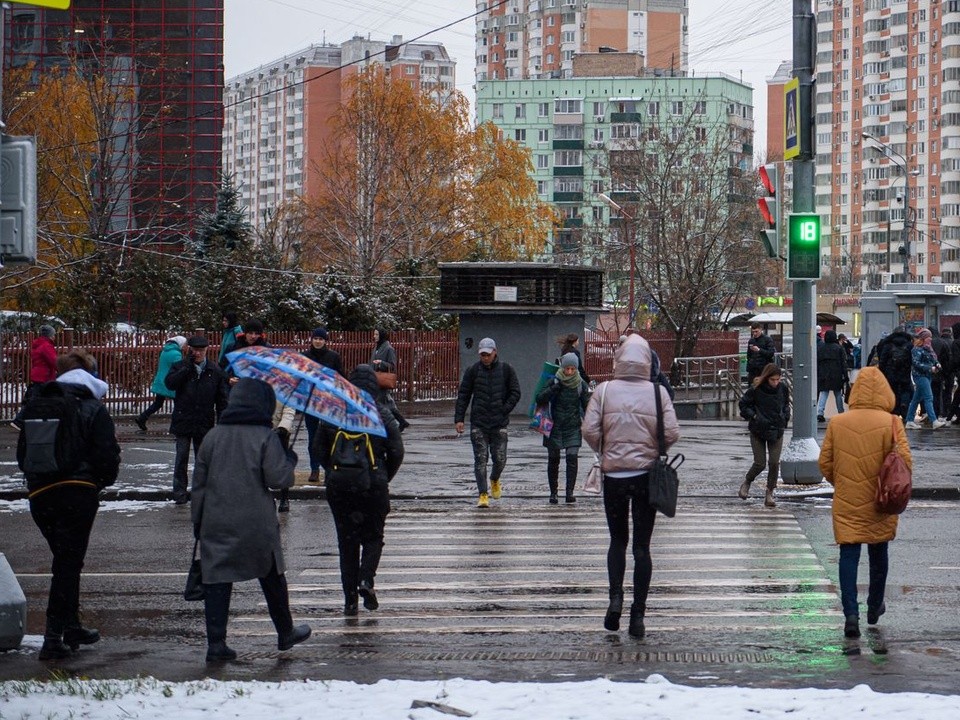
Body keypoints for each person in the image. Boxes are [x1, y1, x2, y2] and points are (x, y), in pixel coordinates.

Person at [191, 377, 311, 662]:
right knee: (270, 574)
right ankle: (285, 632)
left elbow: (199, 484)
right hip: (256, 523)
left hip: (216, 519)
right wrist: (288, 457)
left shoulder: (212, 436)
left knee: (217, 579)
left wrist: (198, 522)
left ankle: (216, 644)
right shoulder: (265, 436)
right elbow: (279, 478)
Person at [21, 350, 121, 660]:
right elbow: (107, 456)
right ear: (89, 373)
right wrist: (97, 482)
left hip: (40, 495)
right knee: (67, 563)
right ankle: (53, 637)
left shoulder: (38, 405)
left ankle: (72, 625)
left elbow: (23, 453)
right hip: (77, 492)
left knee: (66, 560)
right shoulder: (93, 407)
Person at [582, 334, 680, 639]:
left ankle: (615, 599)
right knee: (642, 547)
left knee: (617, 542)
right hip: (645, 478)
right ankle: (638, 616)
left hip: (614, 478)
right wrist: (651, 448)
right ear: (647, 362)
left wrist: (605, 449)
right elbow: (672, 433)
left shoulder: (604, 390)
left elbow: (589, 429)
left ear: (619, 359)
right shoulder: (657, 393)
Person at [819, 366, 912, 639]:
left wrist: (844, 482)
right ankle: (874, 606)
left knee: (849, 554)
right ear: (885, 392)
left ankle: (850, 614)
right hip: (881, 499)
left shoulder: (838, 422)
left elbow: (825, 463)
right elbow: (905, 463)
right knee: (878, 553)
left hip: (848, 499)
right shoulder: (892, 422)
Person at [315, 364, 404, 616]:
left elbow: (318, 449)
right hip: (373, 487)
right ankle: (366, 580)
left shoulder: (333, 412)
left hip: (340, 488)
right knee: (374, 536)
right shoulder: (383, 414)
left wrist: (334, 471)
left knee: (347, 543)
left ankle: (350, 601)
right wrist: (383, 475)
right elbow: (397, 451)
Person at [454, 337, 521, 508]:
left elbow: (515, 392)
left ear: (494, 352)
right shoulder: (473, 371)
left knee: (500, 459)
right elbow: (464, 395)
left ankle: (495, 479)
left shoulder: (506, 370)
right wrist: (459, 419)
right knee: (480, 459)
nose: (485, 358)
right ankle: (483, 494)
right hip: (479, 422)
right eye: (482, 355)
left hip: (499, 423)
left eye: (487, 354)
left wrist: (504, 409)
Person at [165, 335, 229, 504]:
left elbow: (222, 400)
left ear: (207, 350)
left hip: (204, 421)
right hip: (183, 420)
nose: (198, 353)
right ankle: (179, 492)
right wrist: (186, 367)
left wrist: (222, 423)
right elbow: (170, 384)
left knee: (202, 460)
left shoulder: (214, 371)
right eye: (195, 350)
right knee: (182, 457)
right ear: (189, 350)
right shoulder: (180, 366)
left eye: (201, 350)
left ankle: (200, 491)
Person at [536, 352, 590, 504]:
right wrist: (553, 389)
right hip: (554, 426)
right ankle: (553, 493)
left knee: (572, 458)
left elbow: (587, 406)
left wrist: (592, 423)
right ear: (563, 367)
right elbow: (539, 398)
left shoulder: (580, 384)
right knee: (554, 459)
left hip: (573, 426)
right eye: (567, 369)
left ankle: (569, 493)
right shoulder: (554, 381)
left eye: (573, 369)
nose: (570, 372)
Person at [738, 363, 791, 508]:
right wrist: (754, 416)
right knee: (760, 463)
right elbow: (743, 405)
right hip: (758, 429)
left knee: (774, 462)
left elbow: (786, 404)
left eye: (778, 379)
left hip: (776, 428)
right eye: (772, 379)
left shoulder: (783, 388)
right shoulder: (756, 389)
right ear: (766, 378)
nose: (775, 383)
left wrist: (785, 417)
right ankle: (748, 481)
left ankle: (770, 492)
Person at [303, 327, 342, 484]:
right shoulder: (305, 357)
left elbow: (339, 376)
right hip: (311, 401)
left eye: (321, 339)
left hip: (328, 401)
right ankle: (314, 468)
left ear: (325, 341)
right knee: (313, 437)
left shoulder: (333, 357)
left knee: (329, 436)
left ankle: (329, 469)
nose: (318, 341)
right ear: (311, 339)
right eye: (316, 338)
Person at [135, 336, 186, 432]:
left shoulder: (165, 351)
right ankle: (174, 427)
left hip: (161, 380)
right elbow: (179, 368)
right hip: (170, 382)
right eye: (184, 345)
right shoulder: (176, 354)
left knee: (158, 403)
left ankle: (142, 417)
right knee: (178, 405)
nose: (185, 347)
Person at [868, 328, 914, 420]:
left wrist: (883, 372)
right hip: (905, 372)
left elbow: (883, 360)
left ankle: (895, 411)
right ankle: (904, 404)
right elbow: (912, 359)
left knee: (893, 391)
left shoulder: (888, 345)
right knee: (906, 389)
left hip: (891, 373)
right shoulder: (909, 345)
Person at [905, 329, 946, 429]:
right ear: (923, 338)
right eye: (928, 337)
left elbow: (933, 359)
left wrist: (937, 364)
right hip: (920, 376)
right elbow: (916, 363)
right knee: (929, 397)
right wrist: (930, 368)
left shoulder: (928, 348)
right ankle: (934, 421)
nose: (930, 339)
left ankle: (909, 420)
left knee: (916, 399)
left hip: (927, 376)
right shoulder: (916, 350)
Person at [816, 330, 849, 423]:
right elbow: (843, 363)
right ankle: (841, 412)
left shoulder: (821, 348)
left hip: (824, 374)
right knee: (838, 394)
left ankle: (820, 413)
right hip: (836, 374)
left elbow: (817, 362)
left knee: (824, 393)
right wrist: (845, 376)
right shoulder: (839, 348)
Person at [25, 324, 57, 405]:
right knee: (46, 400)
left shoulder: (38, 344)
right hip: (45, 376)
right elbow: (54, 361)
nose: (54, 337)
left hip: (37, 375)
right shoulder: (46, 346)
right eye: (53, 335)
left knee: (36, 398)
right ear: (49, 336)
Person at [929, 326, 951, 419]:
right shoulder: (943, 342)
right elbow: (947, 360)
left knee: (927, 395)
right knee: (938, 393)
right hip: (939, 372)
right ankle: (938, 413)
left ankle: (929, 414)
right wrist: (946, 373)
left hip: (927, 372)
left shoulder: (927, 343)